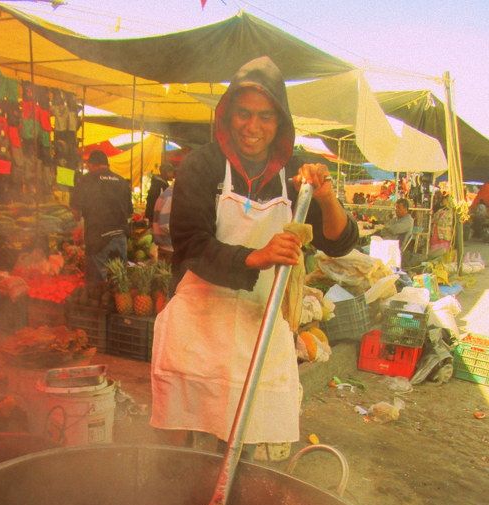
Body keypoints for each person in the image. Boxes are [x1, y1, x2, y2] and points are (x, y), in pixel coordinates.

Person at [150, 56, 358, 456]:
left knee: (238, 444)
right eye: (244, 114)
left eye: (265, 116)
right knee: (178, 441)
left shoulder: (295, 174)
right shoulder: (202, 166)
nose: (253, 126)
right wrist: (256, 257)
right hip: (197, 324)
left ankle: (229, 495)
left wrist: (326, 198)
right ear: (228, 115)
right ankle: (174, 492)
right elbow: (191, 244)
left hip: (258, 324)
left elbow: (339, 243)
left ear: (280, 122)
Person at [70, 149, 133, 284]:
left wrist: (79, 222)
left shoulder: (85, 180)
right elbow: (129, 212)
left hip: (98, 239)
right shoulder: (122, 182)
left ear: (91, 164)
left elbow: (75, 211)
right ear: (106, 164)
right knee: (119, 283)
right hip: (120, 237)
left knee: (97, 286)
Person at [152, 180, 174, 263]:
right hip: (169, 247)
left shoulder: (168, 194)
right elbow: (165, 224)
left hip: (165, 246)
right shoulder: (171, 196)